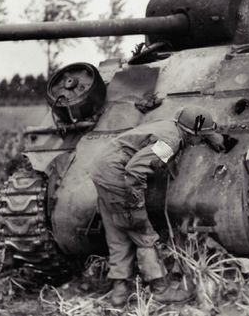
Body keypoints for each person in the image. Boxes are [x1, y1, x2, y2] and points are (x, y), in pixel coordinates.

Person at [90, 105, 225, 306]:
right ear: (191, 133)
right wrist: (134, 204)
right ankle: (160, 289)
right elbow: (135, 170)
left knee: (117, 233)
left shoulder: (171, 126)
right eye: (201, 137)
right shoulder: (170, 142)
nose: (200, 141)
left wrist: (211, 135)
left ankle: (120, 292)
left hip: (102, 170)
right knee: (142, 232)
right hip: (118, 176)